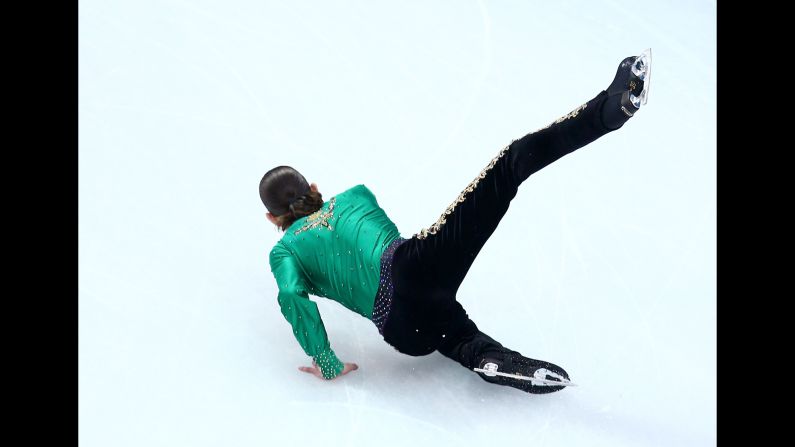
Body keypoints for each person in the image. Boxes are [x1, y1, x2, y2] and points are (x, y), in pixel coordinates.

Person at [260, 54, 650, 394]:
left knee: (460, 338)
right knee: (511, 164)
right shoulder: (354, 196)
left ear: (272, 218)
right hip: (415, 267)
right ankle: (609, 110)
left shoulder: (285, 251)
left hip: (400, 330)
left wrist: (326, 363)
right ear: (313, 187)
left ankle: (490, 359)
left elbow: (292, 294)